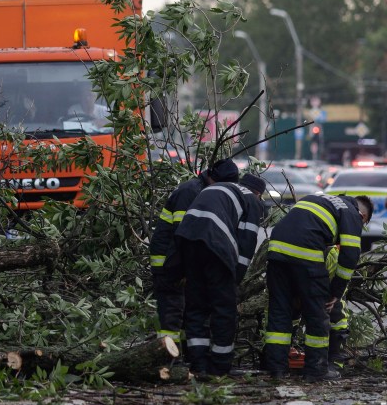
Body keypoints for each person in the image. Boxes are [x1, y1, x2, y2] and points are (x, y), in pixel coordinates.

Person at [262, 193, 372, 382]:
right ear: (362, 217)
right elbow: (349, 257)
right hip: (307, 254)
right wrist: (335, 293)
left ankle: (275, 369)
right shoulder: (352, 214)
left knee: (280, 311)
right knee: (317, 313)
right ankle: (316, 371)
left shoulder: (317, 199)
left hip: (276, 251)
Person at [175, 173, 266, 378]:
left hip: (187, 240)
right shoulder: (252, 200)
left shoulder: (221, 187)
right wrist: (235, 279)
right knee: (223, 308)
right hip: (215, 245)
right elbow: (247, 243)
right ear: (258, 193)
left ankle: (197, 363)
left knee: (196, 305)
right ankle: (220, 366)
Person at [148, 158, 240, 343]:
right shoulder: (191, 192)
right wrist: (179, 269)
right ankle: (166, 356)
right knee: (172, 314)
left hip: (178, 261)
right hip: (168, 263)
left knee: (187, 312)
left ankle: (183, 357)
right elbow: (182, 235)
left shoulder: (203, 191)